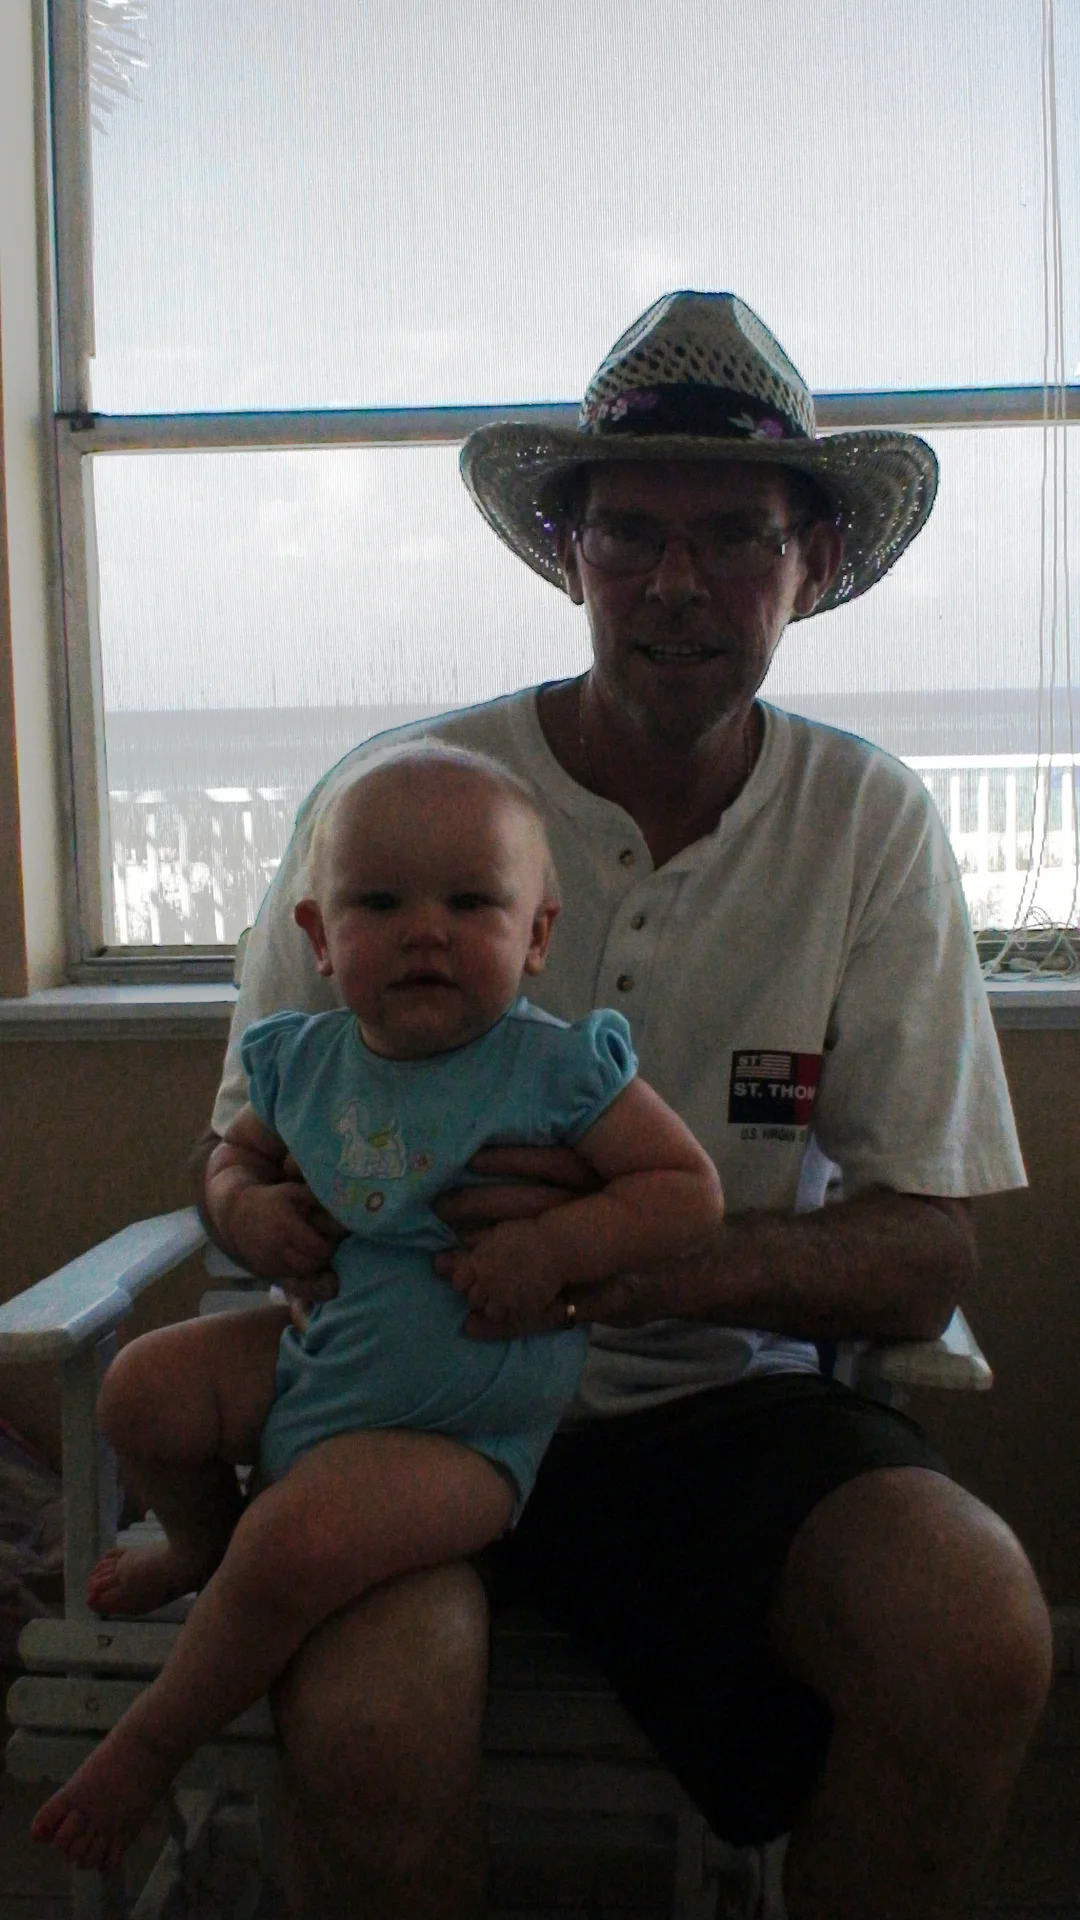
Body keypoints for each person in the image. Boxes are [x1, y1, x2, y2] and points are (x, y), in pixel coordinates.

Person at [148, 293, 1051, 1920]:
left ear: (814, 564)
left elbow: (927, 1252)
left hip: (718, 1411)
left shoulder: (869, 823)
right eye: (630, 531)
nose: (676, 581)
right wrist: (274, 1228)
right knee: (367, 1734)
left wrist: (618, 1260)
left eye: (736, 535)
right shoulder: (395, 805)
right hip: (398, 1400)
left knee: (977, 1634)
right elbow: (246, 1147)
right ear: (569, 554)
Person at [30, 745, 725, 1872]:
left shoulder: (556, 1071)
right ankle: (203, 1545)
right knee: (141, 1389)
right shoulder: (304, 1062)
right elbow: (235, 1163)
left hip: (463, 1432)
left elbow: (686, 1192)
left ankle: (150, 1746)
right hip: (318, 1357)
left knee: (292, 1538)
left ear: (537, 934)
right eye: (381, 903)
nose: (425, 933)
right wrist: (248, 1212)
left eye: (471, 902)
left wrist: (554, 1246)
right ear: (319, 935)